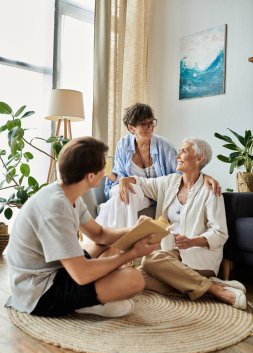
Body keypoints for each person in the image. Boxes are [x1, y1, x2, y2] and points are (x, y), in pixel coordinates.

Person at [4, 137, 160, 318]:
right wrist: (132, 254)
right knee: (134, 280)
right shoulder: (56, 207)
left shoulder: (68, 193)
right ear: (90, 176)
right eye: (102, 167)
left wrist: (136, 230)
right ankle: (85, 303)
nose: (105, 172)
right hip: (39, 292)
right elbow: (82, 274)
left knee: (110, 243)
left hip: (59, 271)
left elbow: (100, 234)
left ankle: (92, 296)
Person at [119, 138, 247, 310]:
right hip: (169, 256)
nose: (178, 155)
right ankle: (210, 286)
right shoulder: (170, 182)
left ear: (199, 159)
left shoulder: (210, 191)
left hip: (198, 256)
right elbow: (143, 182)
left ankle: (214, 288)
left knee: (150, 260)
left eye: (184, 151)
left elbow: (220, 233)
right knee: (133, 277)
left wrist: (192, 241)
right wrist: (125, 180)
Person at [97, 103, 220, 228]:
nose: (150, 127)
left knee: (121, 199)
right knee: (121, 193)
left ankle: (111, 238)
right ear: (131, 128)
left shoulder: (164, 146)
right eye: (144, 124)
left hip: (152, 193)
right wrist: (111, 175)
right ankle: (126, 239)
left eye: (152, 122)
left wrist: (204, 177)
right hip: (129, 190)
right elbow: (119, 176)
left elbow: (184, 172)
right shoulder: (123, 144)